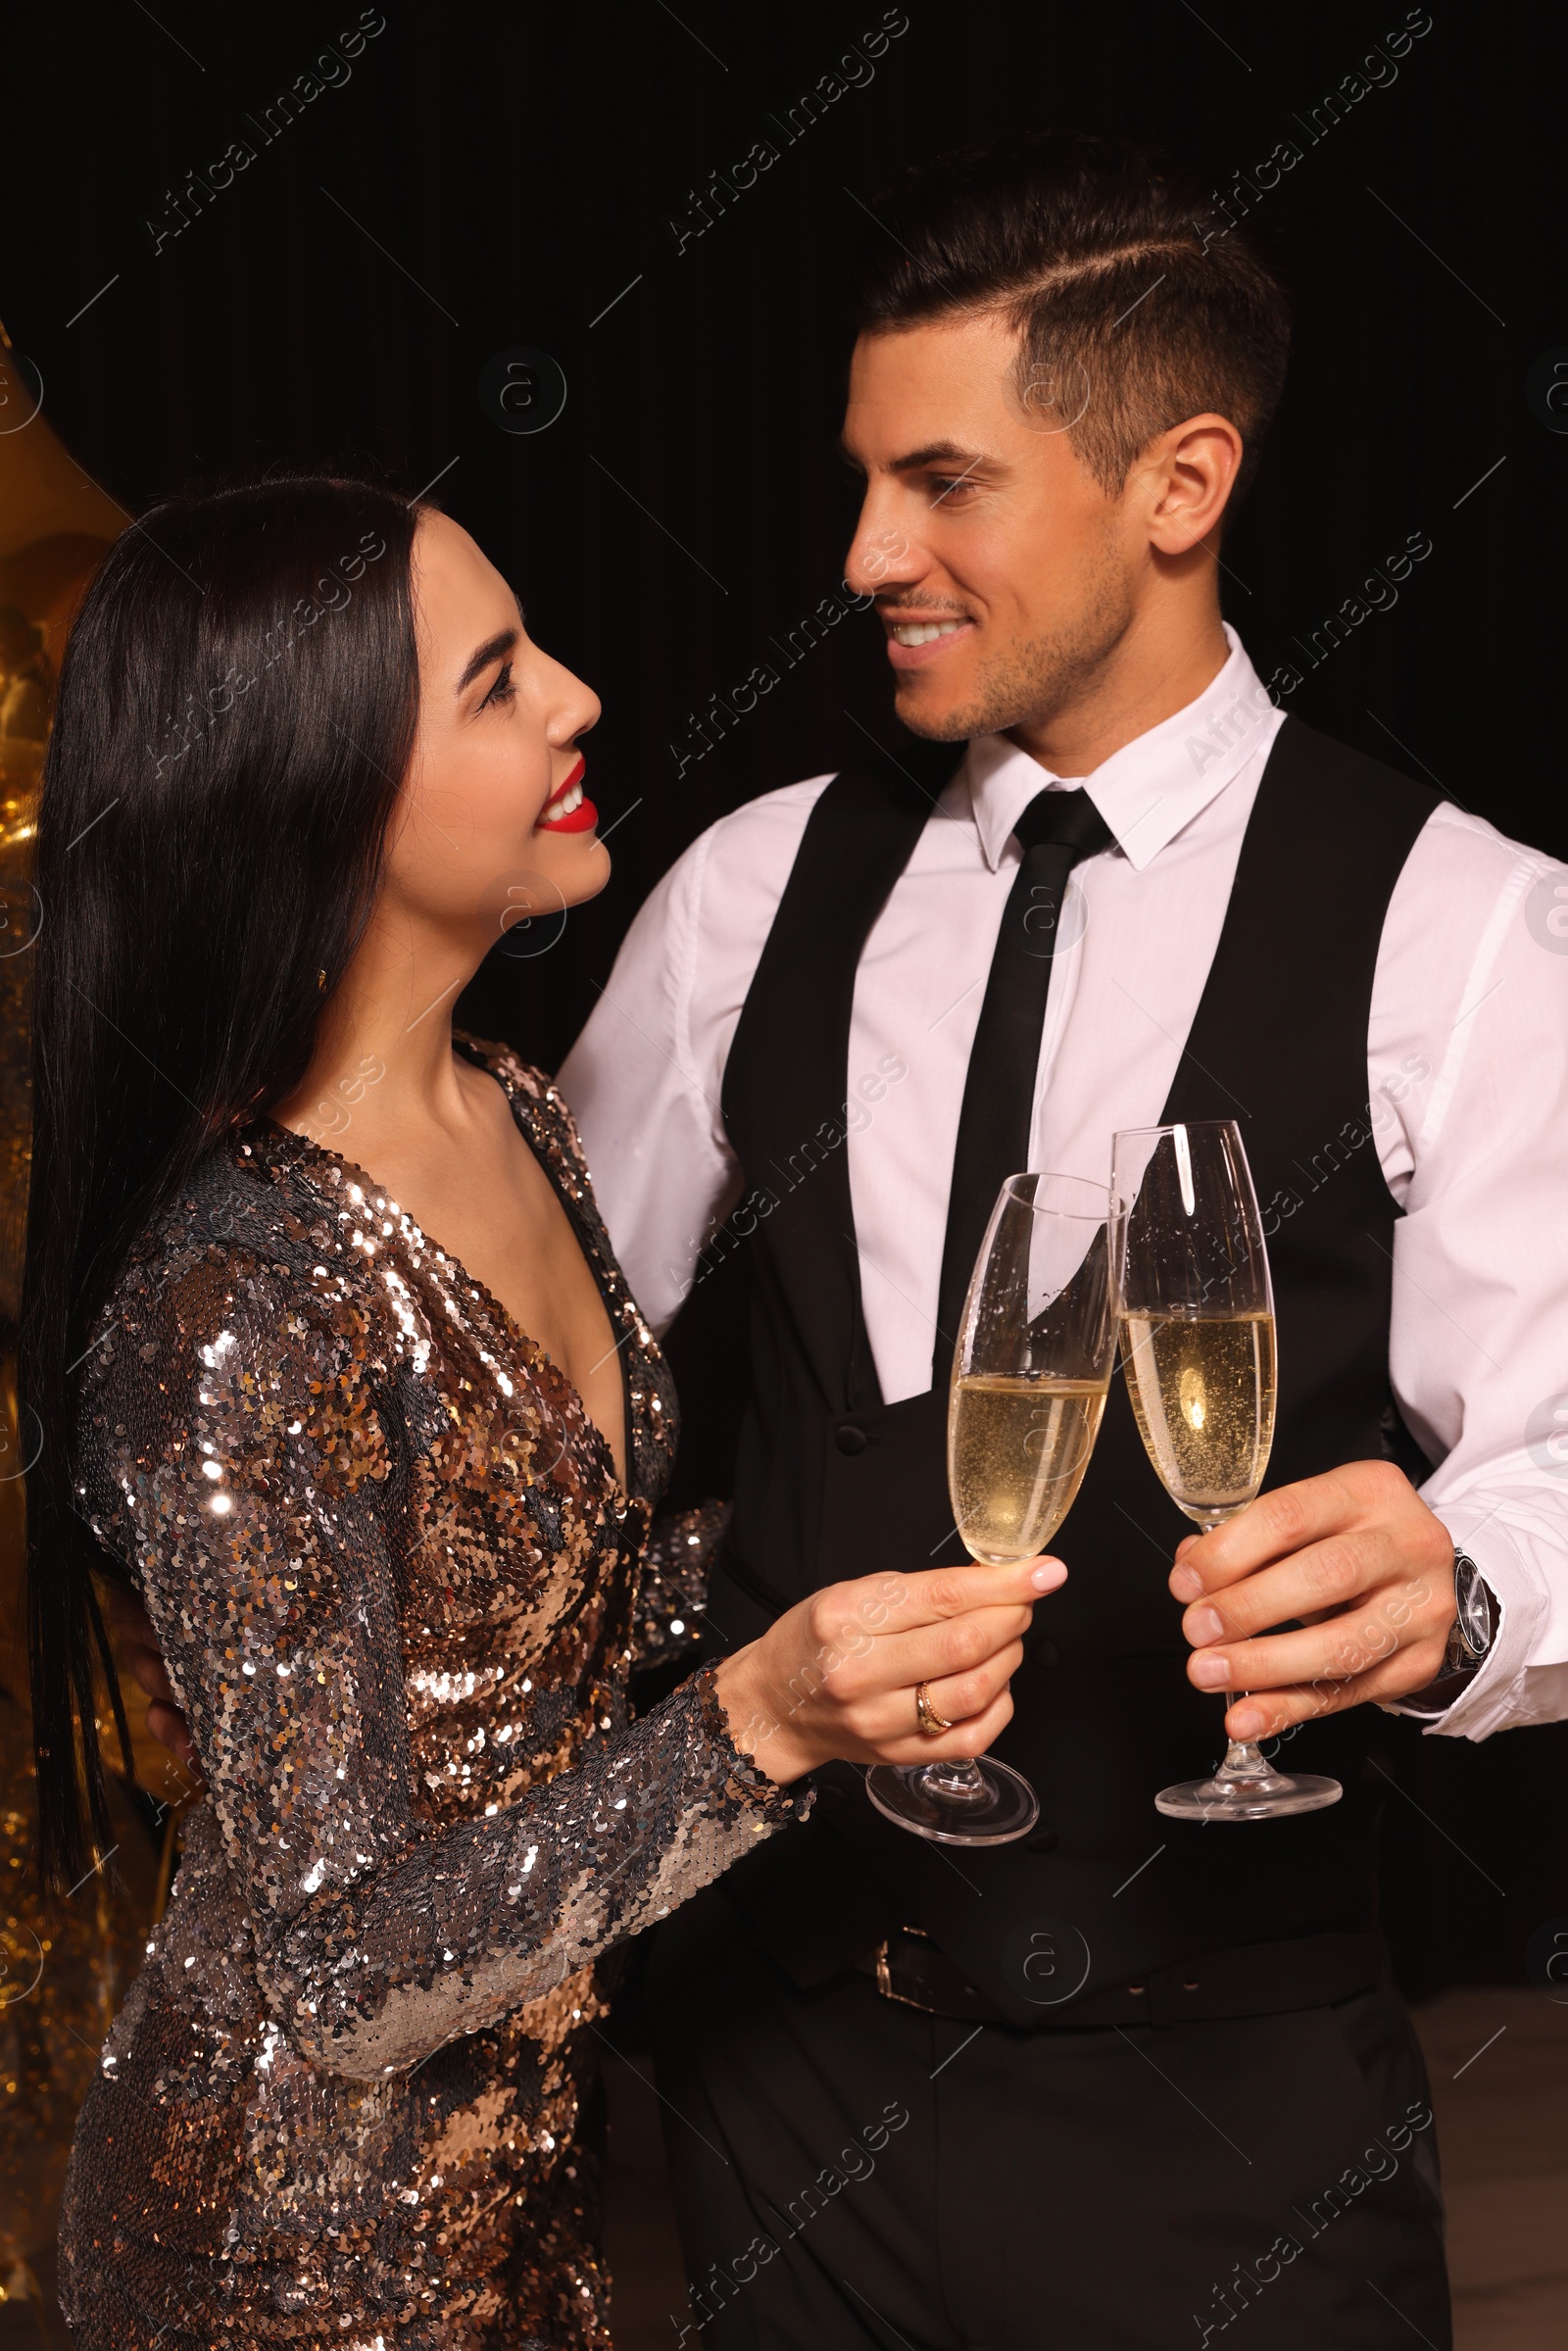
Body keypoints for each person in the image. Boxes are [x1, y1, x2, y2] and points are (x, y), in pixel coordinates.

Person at [552, 136, 1568, 2347]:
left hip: (1227, 2118)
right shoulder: (747, 892)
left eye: (941, 485)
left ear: (1176, 482)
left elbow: (1558, 1452)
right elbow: (543, 1409)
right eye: (858, 482)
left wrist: (1463, 1585)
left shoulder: (1461, 923)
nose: (862, 558)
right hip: (772, 2081)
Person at [24, 474, 1056, 2349]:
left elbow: (532, 1619)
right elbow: (339, 1971)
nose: (578, 698)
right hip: (283, 2253)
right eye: (495, 683)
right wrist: (763, 1717)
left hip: (525, 2175)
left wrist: (839, 1528)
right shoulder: (235, 1298)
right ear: (316, 780)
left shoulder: (510, 1102)